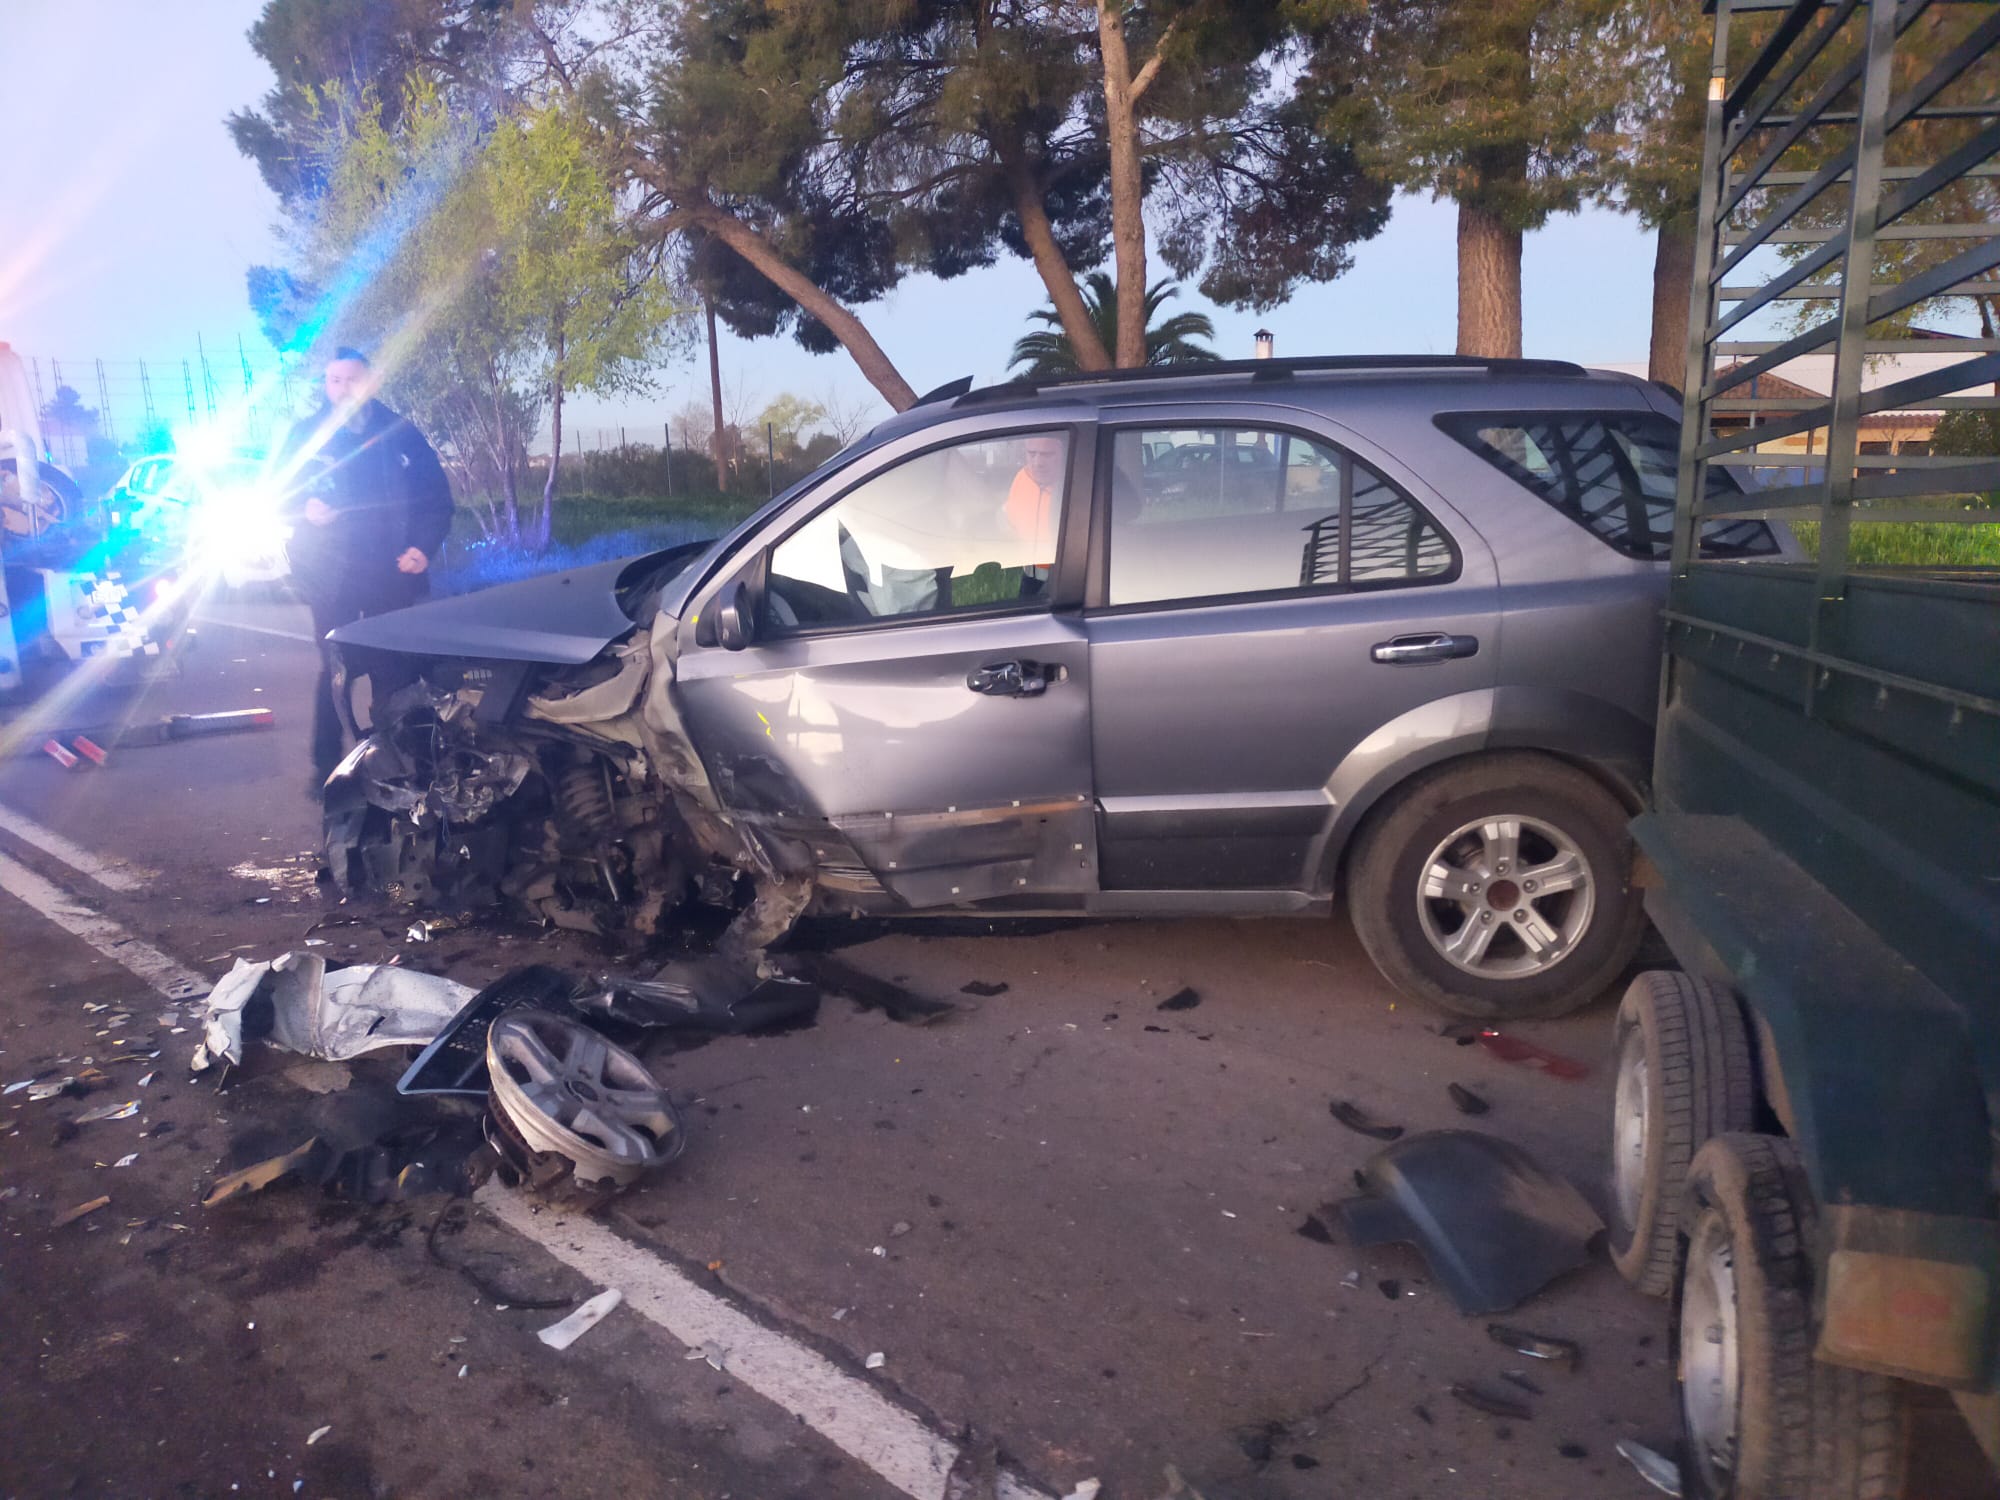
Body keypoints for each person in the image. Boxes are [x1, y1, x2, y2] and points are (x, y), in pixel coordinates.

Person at [278, 348, 452, 789]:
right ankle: (326, 771)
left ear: (370, 383)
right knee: (335, 672)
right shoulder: (306, 437)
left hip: (391, 574)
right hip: (329, 576)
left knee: (394, 671)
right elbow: (278, 494)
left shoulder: (401, 434)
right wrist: (304, 507)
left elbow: (436, 499)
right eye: (334, 380)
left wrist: (423, 547)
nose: (342, 389)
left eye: (351, 379)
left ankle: (399, 763)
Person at [1002, 434, 1065, 587]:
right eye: (1032, 454)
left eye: (1047, 455)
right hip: (1030, 571)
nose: (1038, 463)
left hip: (1064, 575)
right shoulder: (1021, 478)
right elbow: (1009, 520)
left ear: (1064, 454)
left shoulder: (1074, 483)